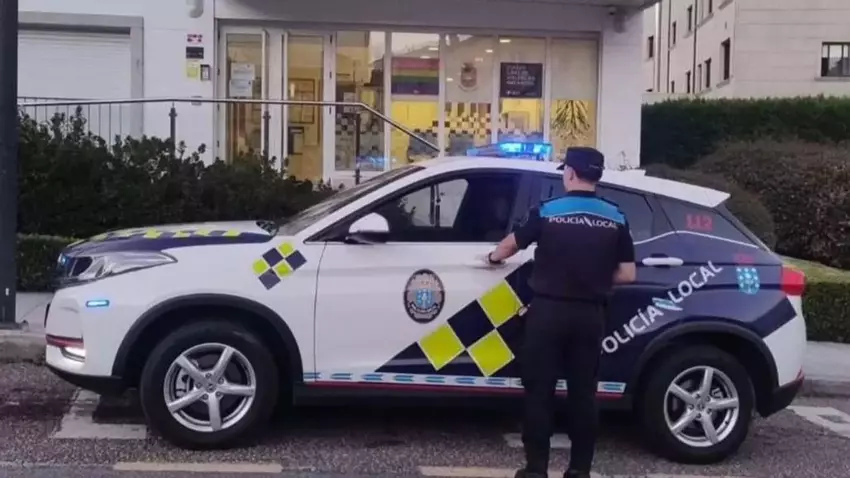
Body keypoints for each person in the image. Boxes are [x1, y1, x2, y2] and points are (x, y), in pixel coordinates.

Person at [481, 146, 637, 478]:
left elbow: (508, 246)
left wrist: (492, 258)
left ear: (570, 173)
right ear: (597, 176)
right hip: (590, 316)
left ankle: (536, 469)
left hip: (548, 313)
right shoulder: (616, 216)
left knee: (540, 392)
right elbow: (627, 274)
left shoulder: (548, 210)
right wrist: (594, 277)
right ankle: (579, 470)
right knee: (583, 395)